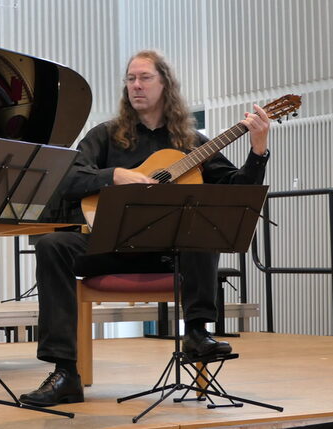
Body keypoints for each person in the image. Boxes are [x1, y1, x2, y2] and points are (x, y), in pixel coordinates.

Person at [19, 50, 270, 407]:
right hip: (111, 247)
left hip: (169, 254)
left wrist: (257, 151)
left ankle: (197, 333)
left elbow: (238, 193)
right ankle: (65, 373)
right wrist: (113, 176)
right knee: (52, 245)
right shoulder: (106, 136)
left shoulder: (192, 143)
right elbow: (66, 178)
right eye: (130, 79)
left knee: (204, 221)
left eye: (144, 78)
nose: (135, 85)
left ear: (165, 84)